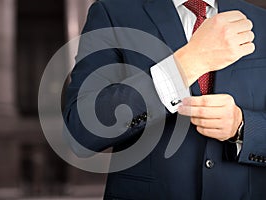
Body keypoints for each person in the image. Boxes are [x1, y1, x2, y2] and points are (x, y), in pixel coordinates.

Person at [64, 0, 266, 199]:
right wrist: (186, 65)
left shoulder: (261, 21)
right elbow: (80, 131)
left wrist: (241, 127)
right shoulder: (112, 12)